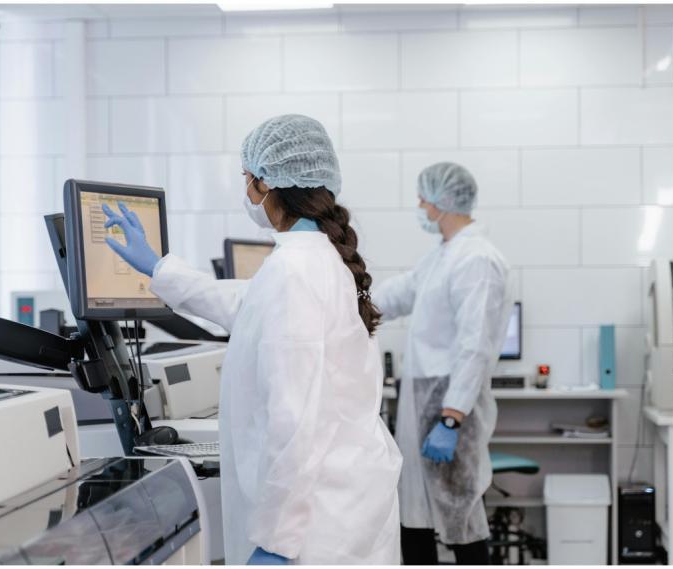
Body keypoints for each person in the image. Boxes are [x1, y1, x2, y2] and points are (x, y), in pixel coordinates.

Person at [101, 115, 402, 565]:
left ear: (269, 184)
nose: (245, 191)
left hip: (316, 529)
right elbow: (247, 305)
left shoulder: (293, 272)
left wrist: (277, 542)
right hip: (343, 503)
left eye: (247, 177)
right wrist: (160, 268)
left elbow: (294, 422)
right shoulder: (314, 260)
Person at [372, 162, 514, 565]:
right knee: (415, 515)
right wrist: (347, 300)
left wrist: (451, 419)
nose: (418, 204)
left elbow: (475, 346)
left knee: (460, 517)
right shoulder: (443, 256)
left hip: (449, 408)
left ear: (442, 201)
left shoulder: (477, 260)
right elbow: (399, 293)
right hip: (423, 400)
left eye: (422, 196)